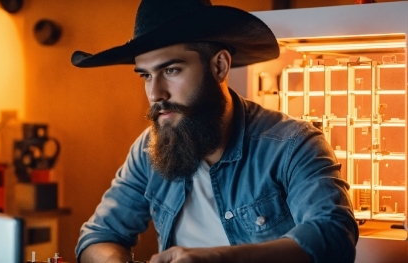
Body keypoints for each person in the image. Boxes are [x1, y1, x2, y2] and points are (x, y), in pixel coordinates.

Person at [71, 0, 359, 262]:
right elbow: (98, 237)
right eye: (146, 75)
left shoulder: (292, 144)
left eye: (171, 70)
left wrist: (218, 259)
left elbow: (333, 235)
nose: (155, 93)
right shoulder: (148, 149)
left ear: (219, 65)